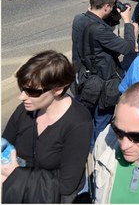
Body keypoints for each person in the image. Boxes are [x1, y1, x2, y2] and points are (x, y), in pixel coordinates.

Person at [2, 51, 93, 203]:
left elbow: (66, 185)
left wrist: (16, 174)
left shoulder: (79, 123)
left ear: (58, 90)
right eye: (22, 89)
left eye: (32, 91)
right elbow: (5, 143)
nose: (22, 97)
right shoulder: (24, 110)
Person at [71, 0, 135, 148]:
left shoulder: (78, 19)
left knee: (86, 121)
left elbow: (101, 21)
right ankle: (95, 153)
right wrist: (127, 21)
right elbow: (127, 48)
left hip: (83, 81)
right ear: (106, 7)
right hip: (102, 86)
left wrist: (115, 13)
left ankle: (83, 148)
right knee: (100, 124)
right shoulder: (100, 31)